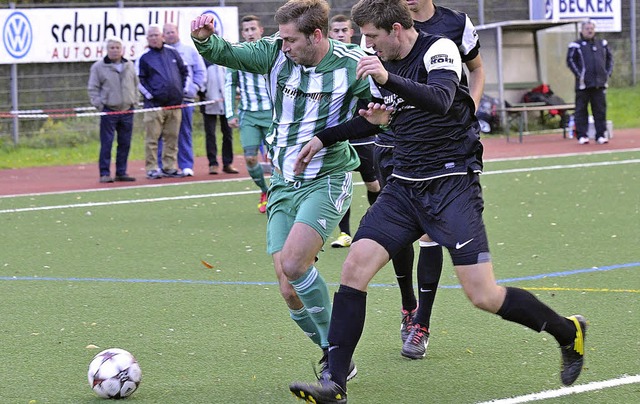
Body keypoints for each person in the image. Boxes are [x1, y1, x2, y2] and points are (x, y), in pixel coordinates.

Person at [289, 0, 587, 401]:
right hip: (403, 187)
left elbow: (442, 98)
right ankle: (334, 383)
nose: (367, 45)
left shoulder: (437, 48)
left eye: (373, 37)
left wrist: (388, 80)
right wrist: (325, 136)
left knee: (483, 295)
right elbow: (381, 116)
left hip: (451, 186)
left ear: (396, 30)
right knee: (354, 269)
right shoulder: (379, 61)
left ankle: (568, 332)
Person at [191, 0, 383, 379]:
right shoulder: (274, 52)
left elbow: (384, 116)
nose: (284, 46)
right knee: (288, 288)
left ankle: (336, 357)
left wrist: (378, 118)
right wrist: (204, 41)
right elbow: (227, 52)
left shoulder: (353, 64)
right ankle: (333, 349)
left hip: (326, 179)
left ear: (316, 35)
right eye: (281, 39)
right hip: (283, 182)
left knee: (295, 264)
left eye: (291, 40)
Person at [392, 0, 487, 360]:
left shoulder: (456, 23)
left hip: (442, 151)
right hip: (393, 143)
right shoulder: (387, 23)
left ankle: (421, 324)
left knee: (431, 231)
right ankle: (407, 304)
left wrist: (469, 109)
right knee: (396, 232)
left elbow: (476, 69)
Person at [328, 14, 381, 247]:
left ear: (352, 33)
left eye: (344, 30)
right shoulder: (325, 62)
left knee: (374, 185)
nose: (340, 34)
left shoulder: (362, 58)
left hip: (365, 135)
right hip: (341, 136)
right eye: (336, 30)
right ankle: (344, 233)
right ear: (329, 33)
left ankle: (378, 224)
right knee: (343, 184)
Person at [224, 15, 272, 213]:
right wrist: (229, 113)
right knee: (251, 159)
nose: (250, 33)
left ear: (261, 30)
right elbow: (230, 83)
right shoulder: (237, 54)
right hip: (248, 115)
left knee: (279, 159)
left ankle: (282, 195)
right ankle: (265, 191)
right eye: (247, 30)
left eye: (253, 29)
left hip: (272, 114)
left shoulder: (272, 50)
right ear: (242, 33)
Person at [137, 24, 189, 180]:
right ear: (147, 39)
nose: (154, 38)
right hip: (154, 107)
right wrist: (151, 95)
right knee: (152, 139)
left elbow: (184, 72)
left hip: (174, 104)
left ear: (162, 36)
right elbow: (139, 80)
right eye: (150, 36)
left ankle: (169, 167)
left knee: (172, 138)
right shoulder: (144, 57)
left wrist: (182, 91)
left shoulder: (173, 53)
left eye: (156, 35)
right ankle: (152, 168)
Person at [88, 36, 139, 184]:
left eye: (117, 47)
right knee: (107, 143)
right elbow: (93, 88)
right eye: (112, 48)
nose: (115, 50)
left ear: (122, 50)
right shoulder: (98, 67)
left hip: (127, 110)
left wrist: (134, 101)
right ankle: (104, 173)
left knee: (125, 143)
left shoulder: (129, 65)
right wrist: (100, 105)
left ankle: (121, 172)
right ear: (107, 50)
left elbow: (136, 85)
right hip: (109, 111)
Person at [160, 23, 207, 176]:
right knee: (163, 134)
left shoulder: (189, 51)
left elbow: (200, 72)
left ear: (177, 32)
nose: (170, 35)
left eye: (172, 32)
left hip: (185, 101)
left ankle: (186, 165)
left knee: (184, 132)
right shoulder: (159, 53)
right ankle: (164, 165)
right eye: (166, 32)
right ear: (163, 35)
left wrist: (194, 88)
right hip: (165, 102)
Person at [566, 19, 613, 145]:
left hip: (599, 84)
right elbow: (570, 61)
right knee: (581, 110)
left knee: (600, 110)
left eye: (591, 28)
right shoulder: (576, 45)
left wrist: (607, 73)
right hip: (583, 85)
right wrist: (580, 75)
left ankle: (600, 135)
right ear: (582, 30)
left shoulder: (602, 44)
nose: (590, 31)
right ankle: (582, 135)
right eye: (587, 28)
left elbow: (609, 59)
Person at [202, 58, 239, 176]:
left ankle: (227, 163)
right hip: (209, 102)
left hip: (226, 103)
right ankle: (213, 164)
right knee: (210, 134)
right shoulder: (204, 60)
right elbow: (200, 78)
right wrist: (203, 92)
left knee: (228, 134)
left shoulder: (226, 59)